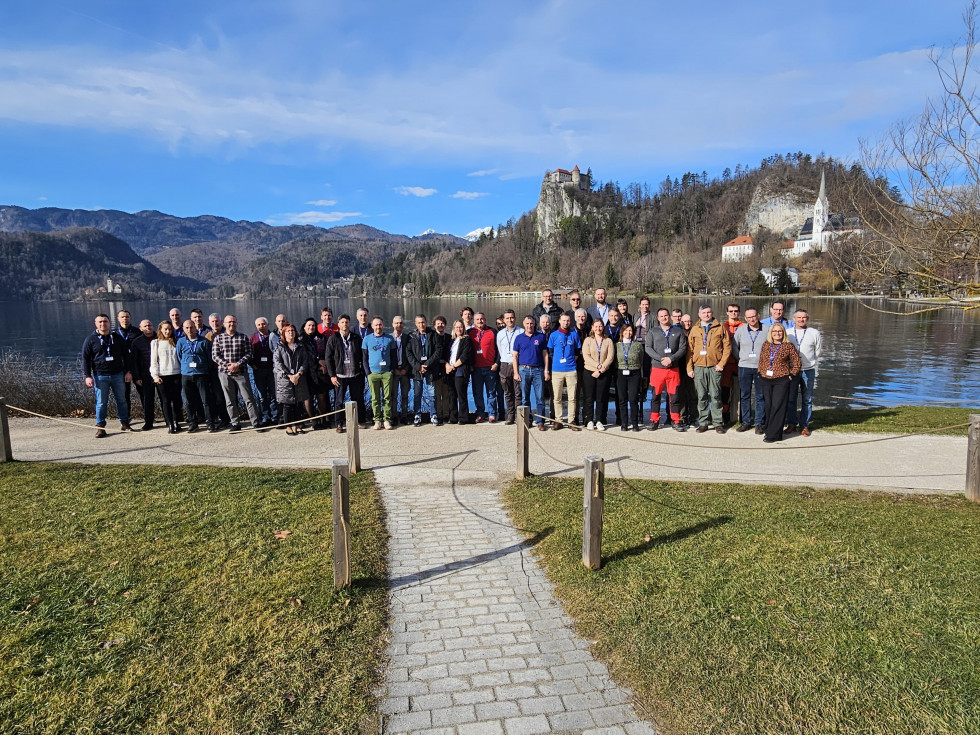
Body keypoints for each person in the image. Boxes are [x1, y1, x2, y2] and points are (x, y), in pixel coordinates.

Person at [81, 313, 134, 438]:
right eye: (100, 322)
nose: (102, 324)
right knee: (101, 403)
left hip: (118, 375)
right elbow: (85, 359)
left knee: (122, 400)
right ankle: (100, 427)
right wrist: (87, 376)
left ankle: (125, 423)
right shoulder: (90, 339)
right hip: (100, 376)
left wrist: (128, 371)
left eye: (105, 321)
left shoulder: (117, 338)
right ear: (96, 324)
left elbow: (126, 356)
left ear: (109, 323)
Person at [212, 314, 262, 432]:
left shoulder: (243, 337)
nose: (231, 324)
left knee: (248, 398)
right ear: (224, 324)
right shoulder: (218, 338)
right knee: (229, 400)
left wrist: (237, 364)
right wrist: (228, 365)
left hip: (241, 372)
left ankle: (255, 422)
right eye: (229, 322)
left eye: (234, 322)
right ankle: (235, 423)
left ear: (237, 324)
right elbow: (215, 356)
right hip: (225, 373)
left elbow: (249, 354)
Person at [686, 305, 731, 434]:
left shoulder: (720, 328)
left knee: (716, 395)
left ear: (712, 313)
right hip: (699, 366)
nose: (706, 315)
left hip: (715, 366)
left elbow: (727, 347)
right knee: (701, 396)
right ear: (699, 315)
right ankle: (703, 422)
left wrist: (722, 364)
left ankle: (718, 422)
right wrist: (689, 368)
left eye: (708, 312)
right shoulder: (694, 329)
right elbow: (690, 350)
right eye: (703, 313)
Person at [645, 307, 688, 431]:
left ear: (669, 316)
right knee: (655, 396)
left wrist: (672, 359)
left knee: (674, 397)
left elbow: (683, 348)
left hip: (673, 368)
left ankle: (676, 420)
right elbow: (648, 348)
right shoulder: (653, 332)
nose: (664, 318)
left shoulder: (677, 331)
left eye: (666, 315)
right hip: (657, 368)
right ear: (658, 318)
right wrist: (661, 358)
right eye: (661, 316)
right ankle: (654, 420)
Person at [758, 323, 802, 443]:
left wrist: (791, 375)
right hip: (766, 379)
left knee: (778, 406)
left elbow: (797, 362)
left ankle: (773, 434)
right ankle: (769, 430)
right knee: (769, 406)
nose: (777, 333)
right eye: (774, 331)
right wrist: (760, 373)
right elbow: (762, 360)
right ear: (771, 333)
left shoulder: (788, 346)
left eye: (780, 331)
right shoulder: (766, 345)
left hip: (782, 380)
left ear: (783, 333)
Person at [731, 308, 769, 434]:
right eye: (748, 317)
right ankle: (745, 422)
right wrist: (741, 358)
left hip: (761, 367)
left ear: (758, 316)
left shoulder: (767, 329)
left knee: (760, 396)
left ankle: (759, 423)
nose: (751, 319)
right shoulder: (741, 330)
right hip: (744, 366)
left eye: (753, 316)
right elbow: (734, 346)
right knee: (745, 395)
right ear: (745, 319)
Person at [325, 314, 366, 432]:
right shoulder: (333, 339)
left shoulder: (356, 338)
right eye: (342, 322)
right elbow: (328, 358)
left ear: (349, 324)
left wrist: (362, 371)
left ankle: (358, 421)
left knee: (357, 399)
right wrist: (332, 375)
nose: (345, 324)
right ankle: (339, 423)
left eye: (347, 322)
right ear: (338, 325)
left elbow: (362, 356)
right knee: (339, 401)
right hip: (340, 375)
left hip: (355, 374)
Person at [176, 319, 217, 432]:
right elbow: (179, 357)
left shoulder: (204, 342)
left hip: (201, 374)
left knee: (206, 400)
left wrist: (203, 368)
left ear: (195, 328)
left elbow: (210, 359)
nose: (189, 330)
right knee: (189, 401)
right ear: (183, 329)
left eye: (191, 327)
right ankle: (193, 422)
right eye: (187, 328)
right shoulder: (181, 342)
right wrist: (186, 367)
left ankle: (209, 422)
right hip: (186, 375)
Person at [786, 309, 822, 436]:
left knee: (807, 398)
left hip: (808, 370)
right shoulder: (788, 333)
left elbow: (818, 352)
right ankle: (791, 424)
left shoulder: (814, 333)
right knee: (791, 398)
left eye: (804, 317)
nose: (801, 320)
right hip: (792, 370)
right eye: (799, 317)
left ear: (807, 319)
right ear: (794, 319)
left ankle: (805, 425)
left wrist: (811, 362)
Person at [512, 315, 549, 430]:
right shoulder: (518, 338)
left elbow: (545, 354)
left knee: (540, 397)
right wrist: (515, 372)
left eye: (531, 323)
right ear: (524, 324)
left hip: (538, 370)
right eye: (527, 323)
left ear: (534, 324)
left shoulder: (541, 337)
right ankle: (528, 420)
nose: (529, 326)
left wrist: (546, 370)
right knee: (525, 398)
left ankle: (540, 421)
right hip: (523, 370)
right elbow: (515, 356)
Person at [273, 324, 312, 436]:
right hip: (285, 380)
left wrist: (298, 374)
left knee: (299, 403)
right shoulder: (279, 347)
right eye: (288, 331)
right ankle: (288, 426)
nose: (291, 333)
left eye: (292, 330)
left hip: (299, 378)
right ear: (284, 334)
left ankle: (298, 425)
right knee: (287, 405)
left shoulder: (300, 346)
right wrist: (290, 375)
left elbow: (305, 361)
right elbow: (278, 364)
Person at [547, 312, 581, 430]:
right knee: (557, 397)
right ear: (560, 321)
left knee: (572, 397)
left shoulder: (574, 335)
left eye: (568, 321)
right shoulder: (553, 335)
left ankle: (571, 421)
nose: (566, 322)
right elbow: (550, 352)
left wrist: (570, 361)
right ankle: (559, 420)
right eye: (564, 320)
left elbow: (577, 351)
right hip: (557, 370)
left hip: (571, 369)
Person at [406, 314, 441, 426]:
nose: (421, 324)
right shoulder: (411, 336)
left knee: (432, 394)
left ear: (426, 322)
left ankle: (433, 415)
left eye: (423, 322)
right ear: (415, 324)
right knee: (417, 394)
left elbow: (438, 351)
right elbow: (408, 353)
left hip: (430, 369)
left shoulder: (433, 334)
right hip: (417, 371)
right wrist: (418, 366)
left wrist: (427, 364)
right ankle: (417, 415)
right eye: (419, 323)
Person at [361, 316, 396, 430]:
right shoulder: (367, 339)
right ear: (372, 326)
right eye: (376, 325)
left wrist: (391, 371)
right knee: (375, 398)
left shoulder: (389, 339)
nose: (378, 327)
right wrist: (368, 373)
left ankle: (387, 419)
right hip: (373, 374)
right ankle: (377, 420)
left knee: (387, 397)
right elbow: (364, 358)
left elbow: (393, 356)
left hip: (386, 373)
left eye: (380, 325)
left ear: (383, 325)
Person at [150, 320, 183, 434]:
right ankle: (169, 424)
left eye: (169, 329)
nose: (168, 331)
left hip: (176, 374)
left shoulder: (177, 341)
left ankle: (176, 422)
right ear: (160, 330)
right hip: (163, 376)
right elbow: (153, 361)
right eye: (165, 329)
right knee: (166, 401)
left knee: (177, 400)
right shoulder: (156, 343)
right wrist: (155, 376)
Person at [581, 317, 614, 431]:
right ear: (592, 328)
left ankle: (600, 420)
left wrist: (601, 369)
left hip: (603, 372)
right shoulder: (588, 340)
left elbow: (610, 357)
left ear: (603, 327)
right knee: (589, 397)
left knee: (601, 398)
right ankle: (589, 420)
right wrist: (597, 366)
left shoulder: (608, 341)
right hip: (589, 371)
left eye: (600, 326)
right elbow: (586, 356)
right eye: (596, 326)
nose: (598, 328)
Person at [300, 318, 330, 430]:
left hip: (320, 373)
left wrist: (325, 364)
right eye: (309, 325)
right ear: (304, 327)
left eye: (313, 325)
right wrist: (317, 361)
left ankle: (322, 418)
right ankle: (313, 420)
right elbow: (305, 356)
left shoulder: (321, 338)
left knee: (322, 396)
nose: (311, 327)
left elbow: (327, 352)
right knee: (308, 398)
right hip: (307, 373)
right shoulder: (300, 340)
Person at [469, 312, 498, 423]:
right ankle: (480, 413)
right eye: (477, 319)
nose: (480, 321)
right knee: (477, 392)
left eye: (482, 319)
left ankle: (492, 414)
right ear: (474, 321)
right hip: (476, 368)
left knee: (491, 392)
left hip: (490, 368)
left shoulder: (492, 331)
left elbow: (498, 349)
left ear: (485, 320)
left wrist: (496, 363)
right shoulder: (470, 332)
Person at [250, 317, 277, 427]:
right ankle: (265, 417)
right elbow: (247, 353)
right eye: (259, 325)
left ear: (268, 324)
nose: (262, 326)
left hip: (271, 370)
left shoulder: (273, 336)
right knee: (262, 396)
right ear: (256, 326)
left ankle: (275, 417)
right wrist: (252, 365)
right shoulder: (253, 338)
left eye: (263, 324)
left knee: (273, 394)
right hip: (258, 370)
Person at [615, 323, 643, 431]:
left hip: (634, 373)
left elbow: (641, 360)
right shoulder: (617, 345)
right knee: (622, 399)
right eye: (626, 331)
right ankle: (624, 423)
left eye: (630, 331)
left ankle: (635, 423)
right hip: (621, 373)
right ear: (622, 332)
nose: (628, 333)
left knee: (633, 399)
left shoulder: (637, 345)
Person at [495, 309, 521, 424]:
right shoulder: (500, 334)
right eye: (507, 318)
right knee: (507, 392)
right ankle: (510, 415)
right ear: (504, 320)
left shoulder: (521, 332)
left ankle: (518, 415)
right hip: (505, 365)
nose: (510, 320)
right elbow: (500, 350)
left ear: (515, 318)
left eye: (512, 317)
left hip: (517, 364)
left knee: (518, 392)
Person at [446, 319, 475, 424]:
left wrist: (453, 366)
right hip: (451, 370)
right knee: (452, 394)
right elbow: (447, 355)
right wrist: (447, 366)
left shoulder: (466, 340)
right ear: (454, 328)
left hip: (460, 370)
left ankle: (463, 417)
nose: (459, 329)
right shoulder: (452, 340)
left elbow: (464, 356)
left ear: (464, 328)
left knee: (461, 394)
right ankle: (453, 417)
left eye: (461, 327)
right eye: (457, 327)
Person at [130, 318, 157, 430]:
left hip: (161, 373)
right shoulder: (137, 342)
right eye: (145, 326)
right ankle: (148, 422)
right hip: (145, 374)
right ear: (140, 329)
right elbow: (134, 361)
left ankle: (171, 419)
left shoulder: (160, 337)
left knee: (165, 398)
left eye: (149, 325)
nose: (148, 328)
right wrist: (136, 377)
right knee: (147, 399)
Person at [721, 303, 744, 425]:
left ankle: (740, 415)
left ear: (739, 312)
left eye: (736, 311)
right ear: (727, 312)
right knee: (725, 390)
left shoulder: (744, 326)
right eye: (731, 311)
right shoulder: (722, 326)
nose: (733, 313)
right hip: (726, 364)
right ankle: (725, 414)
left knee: (741, 390)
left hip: (740, 362)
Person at [115, 309, 140, 415]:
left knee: (143, 393)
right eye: (122, 317)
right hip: (122, 368)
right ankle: (126, 416)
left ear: (130, 318)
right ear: (118, 319)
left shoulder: (137, 332)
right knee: (125, 394)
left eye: (127, 317)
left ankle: (149, 418)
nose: (125, 319)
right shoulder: (114, 334)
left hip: (137, 366)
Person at [390, 315, 412, 425]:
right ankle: (394, 416)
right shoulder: (389, 338)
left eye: (401, 323)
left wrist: (406, 369)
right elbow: (387, 356)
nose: (399, 325)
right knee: (393, 395)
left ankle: (404, 416)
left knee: (405, 395)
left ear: (403, 325)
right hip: (393, 372)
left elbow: (411, 355)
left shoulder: (407, 338)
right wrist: (393, 369)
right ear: (393, 324)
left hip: (405, 372)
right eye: (397, 323)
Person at [432, 315, 453, 423]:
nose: (440, 325)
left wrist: (449, 364)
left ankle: (446, 414)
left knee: (446, 393)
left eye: (442, 323)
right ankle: (438, 414)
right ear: (434, 325)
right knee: (437, 393)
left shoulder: (449, 337)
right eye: (438, 323)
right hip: (435, 369)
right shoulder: (431, 337)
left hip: (447, 369)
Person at [678, 313, 697, 426]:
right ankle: (682, 417)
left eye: (689, 321)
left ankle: (694, 416)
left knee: (693, 394)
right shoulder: (678, 333)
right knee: (680, 394)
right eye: (685, 321)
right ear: (681, 322)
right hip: (680, 367)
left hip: (693, 366)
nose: (687, 323)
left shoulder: (695, 333)